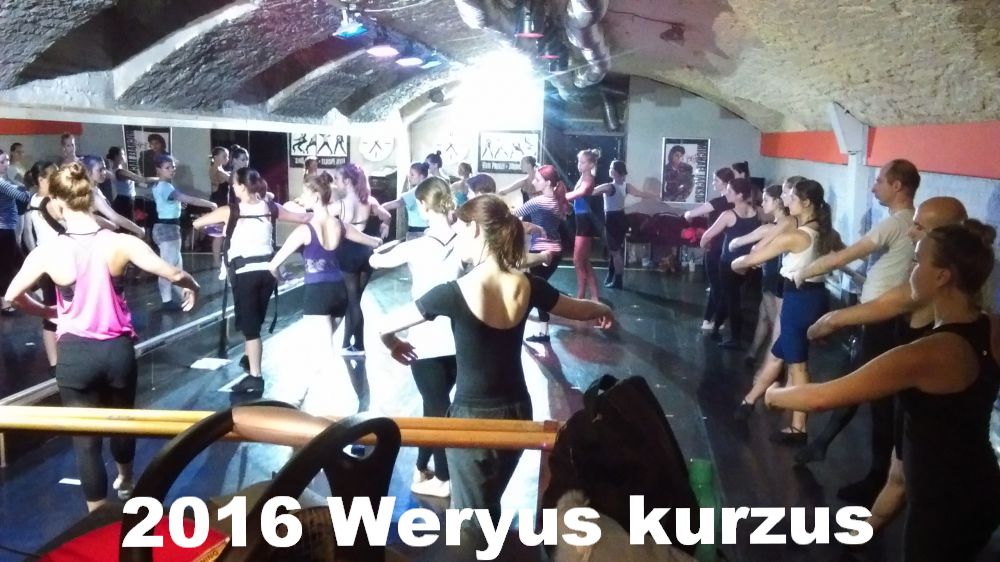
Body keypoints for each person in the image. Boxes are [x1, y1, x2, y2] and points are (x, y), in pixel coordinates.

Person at [378, 194, 613, 536]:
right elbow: (579, 309)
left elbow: (385, 326)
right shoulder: (528, 285)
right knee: (488, 503)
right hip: (517, 412)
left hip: (471, 418)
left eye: (460, 229)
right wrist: (604, 308)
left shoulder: (452, 292)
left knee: (469, 519)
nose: (457, 238)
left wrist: (393, 344)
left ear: (475, 229)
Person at [765, 220, 1000, 562]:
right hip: (979, 484)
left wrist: (774, 394)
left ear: (942, 276)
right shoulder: (991, 326)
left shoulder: (927, 354)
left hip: (945, 505)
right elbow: (901, 473)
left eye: (917, 261)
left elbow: (821, 398)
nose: (910, 269)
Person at [4, 162, 200, 512]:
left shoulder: (49, 251)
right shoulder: (120, 242)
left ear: (58, 203)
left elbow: (12, 295)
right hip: (116, 351)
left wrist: (45, 311)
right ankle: (126, 480)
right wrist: (193, 286)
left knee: (85, 442)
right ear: (91, 197)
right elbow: (173, 272)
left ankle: (96, 517)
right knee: (122, 420)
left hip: (75, 355)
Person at [802, 196, 969, 537]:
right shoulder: (959, 290)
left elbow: (878, 307)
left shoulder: (925, 293)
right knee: (902, 472)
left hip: (931, 416)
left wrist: (820, 326)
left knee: (911, 483)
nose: (911, 232)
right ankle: (865, 531)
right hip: (934, 415)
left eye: (919, 227)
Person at [793, 159, 919, 504]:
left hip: (883, 322)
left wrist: (805, 271)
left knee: (878, 401)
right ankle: (825, 445)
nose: (874, 186)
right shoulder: (905, 223)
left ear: (897, 186)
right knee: (860, 384)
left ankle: (878, 478)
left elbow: (845, 256)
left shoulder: (897, 223)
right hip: (880, 320)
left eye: (879, 180)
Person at [370, 177, 463, 498]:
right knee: (434, 404)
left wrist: (385, 245)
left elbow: (375, 260)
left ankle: (445, 477)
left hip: (425, 340)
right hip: (459, 339)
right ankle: (423, 465)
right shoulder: (465, 241)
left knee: (438, 408)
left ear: (423, 206)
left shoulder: (415, 246)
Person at [730, 179, 839, 442]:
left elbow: (752, 259)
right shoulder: (825, 231)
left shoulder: (797, 236)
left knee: (798, 366)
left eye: (791, 196)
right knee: (778, 354)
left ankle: (799, 428)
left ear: (806, 202)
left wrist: (735, 263)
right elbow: (840, 255)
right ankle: (748, 402)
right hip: (811, 297)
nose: (786, 200)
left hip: (799, 301)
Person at [193, 168, 309, 393]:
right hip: (268, 273)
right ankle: (249, 359)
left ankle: (255, 377)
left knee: (251, 328)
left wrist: (221, 227)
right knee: (254, 321)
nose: (233, 188)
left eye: (235, 185)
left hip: (245, 273)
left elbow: (198, 224)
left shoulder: (230, 210)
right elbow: (303, 218)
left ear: (243, 187)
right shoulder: (271, 207)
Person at [267, 172, 380, 394]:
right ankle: (323, 397)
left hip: (317, 294)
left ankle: (323, 402)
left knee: (323, 354)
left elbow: (273, 264)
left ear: (316, 197)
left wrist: (281, 277)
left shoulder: (305, 230)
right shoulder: (341, 226)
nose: (302, 198)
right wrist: (379, 238)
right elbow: (373, 242)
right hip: (339, 292)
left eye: (305, 194)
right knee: (322, 349)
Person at [332, 164, 391, 355]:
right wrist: (385, 227)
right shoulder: (369, 201)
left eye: (337, 179)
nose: (335, 182)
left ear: (347, 181)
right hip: (366, 252)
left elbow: (316, 216)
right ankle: (351, 344)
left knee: (352, 302)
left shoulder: (341, 205)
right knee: (355, 300)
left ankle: (354, 344)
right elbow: (387, 216)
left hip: (347, 251)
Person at [728, 184, 790, 367]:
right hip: (773, 277)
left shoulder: (771, 228)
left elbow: (738, 243)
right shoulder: (787, 225)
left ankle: (776, 366)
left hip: (773, 279)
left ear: (778, 202)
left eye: (765, 200)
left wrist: (734, 246)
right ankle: (752, 354)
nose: (762, 204)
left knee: (775, 325)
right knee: (764, 316)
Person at [150, 155, 217, 311]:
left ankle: (184, 297)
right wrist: (210, 204)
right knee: (168, 268)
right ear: (158, 170)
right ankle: (167, 302)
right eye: (167, 167)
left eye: (173, 167)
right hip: (167, 230)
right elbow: (187, 198)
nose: (172, 170)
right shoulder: (166, 187)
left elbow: (170, 202)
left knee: (176, 267)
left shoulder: (161, 186)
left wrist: (178, 204)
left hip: (168, 228)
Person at [699, 177, 759, 347]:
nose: (727, 193)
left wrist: (705, 246)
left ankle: (735, 338)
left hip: (729, 262)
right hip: (747, 261)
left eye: (730, 191)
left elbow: (707, 236)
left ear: (739, 195)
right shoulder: (757, 212)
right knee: (731, 296)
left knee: (732, 299)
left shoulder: (728, 215)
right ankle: (717, 328)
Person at [515, 164, 567, 343]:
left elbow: (512, 216)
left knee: (532, 291)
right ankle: (542, 332)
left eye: (538, 179)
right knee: (537, 289)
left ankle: (517, 329)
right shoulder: (559, 201)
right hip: (556, 251)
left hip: (541, 250)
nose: (534, 182)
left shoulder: (538, 201)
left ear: (548, 183)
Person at [592, 160, 658, 289]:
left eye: (611, 167)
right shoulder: (626, 186)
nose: (609, 169)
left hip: (612, 220)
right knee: (615, 250)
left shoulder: (609, 187)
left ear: (616, 171)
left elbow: (590, 191)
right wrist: (655, 195)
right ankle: (611, 274)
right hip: (621, 218)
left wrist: (590, 174)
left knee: (615, 252)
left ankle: (618, 281)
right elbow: (641, 194)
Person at [21, 161, 61, 372]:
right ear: (42, 179)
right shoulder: (50, 202)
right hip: (59, 262)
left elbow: (29, 234)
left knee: (51, 311)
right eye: (54, 175)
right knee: (62, 309)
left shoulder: (32, 200)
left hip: (44, 261)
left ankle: (54, 362)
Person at [684, 167, 735, 331]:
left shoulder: (718, 202)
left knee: (716, 286)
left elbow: (691, 213)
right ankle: (717, 319)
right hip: (731, 249)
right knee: (724, 286)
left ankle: (710, 320)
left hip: (716, 247)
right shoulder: (738, 203)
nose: (713, 183)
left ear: (726, 183)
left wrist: (687, 215)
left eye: (716, 180)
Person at [565, 149, 601, 301]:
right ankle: (594, 296)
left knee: (577, 260)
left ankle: (580, 296)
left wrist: (561, 197)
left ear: (591, 164)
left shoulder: (589, 179)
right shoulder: (583, 177)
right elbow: (578, 201)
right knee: (584, 261)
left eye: (583, 162)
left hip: (586, 222)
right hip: (582, 220)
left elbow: (581, 193)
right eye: (579, 162)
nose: (579, 165)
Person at [80, 155, 145, 237]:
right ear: (88, 172)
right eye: (100, 170)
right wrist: (139, 230)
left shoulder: (94, 188)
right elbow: (114, 217)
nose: (104, 172)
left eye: (104, 168)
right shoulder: (91, 193)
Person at [0, 149, 31, 314]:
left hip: (5, 229)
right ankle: (5, 302)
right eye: (2, 162)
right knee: (8, 266)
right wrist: (29, 189)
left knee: (18, 263)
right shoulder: (1, 183)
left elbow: (15, 189)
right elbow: (23, 197)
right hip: (4, 230)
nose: (6, 164)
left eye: (6, 160)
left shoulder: (3, 182)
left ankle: (21, 295)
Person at [106, 146, 157, 223]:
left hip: (124, 200)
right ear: (116, 156)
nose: (124, 156)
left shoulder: (114, 170)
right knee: (129, 224)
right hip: (125, 201)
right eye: (122, 154)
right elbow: (142, 179)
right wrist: (160, 178)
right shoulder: (120, 172)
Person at [383, 162, 430, 240]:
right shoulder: (431, 189)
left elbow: (390, 205)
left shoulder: (414, 192)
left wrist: (385, 221)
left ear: (421, 176)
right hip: (430, 231)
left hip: (416, 233)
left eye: (412, 175)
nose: (409, 177)